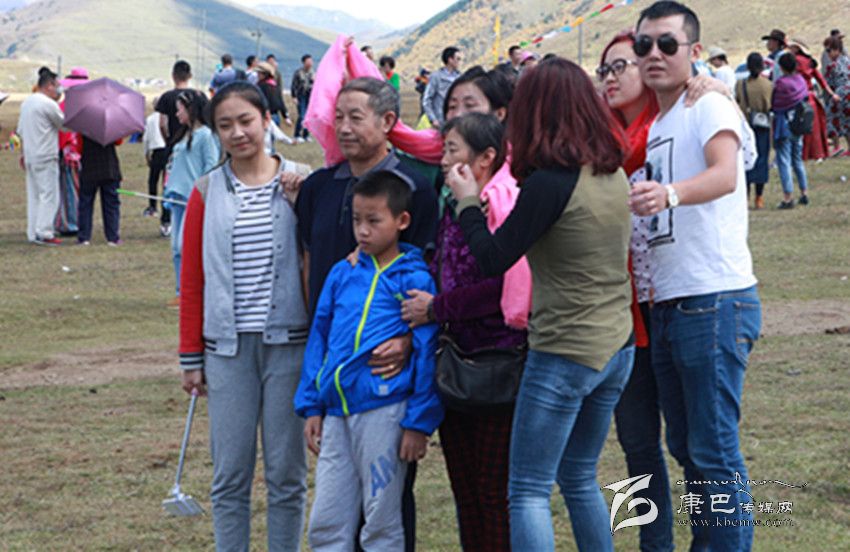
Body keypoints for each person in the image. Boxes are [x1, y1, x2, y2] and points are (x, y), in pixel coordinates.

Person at [446, 57, 634, 552]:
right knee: (578, 474)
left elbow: (492, 258)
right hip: (616, 347)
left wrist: (467, 200)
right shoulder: (611, 172)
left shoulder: (550, 183)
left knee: (528, 489)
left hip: (564, 352)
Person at [629, 2, 761, 550]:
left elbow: (727, 174)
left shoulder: (707, 103)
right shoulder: (660, 120)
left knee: (713, 451)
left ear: (694, 51)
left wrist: (670, 193)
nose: (653, 55)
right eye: (644, 46)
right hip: (667, 304)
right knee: (685, 447)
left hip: (712, 299)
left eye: (667, 44)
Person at [295, 76, 438, 552]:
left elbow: (428, 293)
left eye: (356, 117)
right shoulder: (318, 187)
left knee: (386, 508)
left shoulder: (415, 189)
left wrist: (408, 342)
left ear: (388, 121)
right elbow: (309, 264)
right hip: (337, 384)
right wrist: (313, 398)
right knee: (330, 513)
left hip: (386, 388)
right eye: (337, 117)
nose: (344, 127)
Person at [179, 81, 309, 552]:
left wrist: (302, 205)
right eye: (225, 125)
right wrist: (191, 357)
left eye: (246, 121)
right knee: (230, 475)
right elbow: (192, 279)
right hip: (227, 352)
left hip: (290, 347)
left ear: (267, 120)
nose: (237, 133)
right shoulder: (205, 191)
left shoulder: (302, 181)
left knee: (286, 475)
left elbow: (323, 259)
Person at [399, 112, 527, 551]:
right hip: (454, 364)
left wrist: (437, 308)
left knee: (493, 493)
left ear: (486, 157)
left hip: (496, 364)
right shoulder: (454, 208)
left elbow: (501, 288)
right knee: (465, 491)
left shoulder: (503, 205)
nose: (442, 160)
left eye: (452, 150)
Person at [164, 90, 220, 305]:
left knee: (184, 246)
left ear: (191, 109)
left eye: (180, 109)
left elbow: (210, 166)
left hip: (192, 200)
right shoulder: (183, 136)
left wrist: (201, 195)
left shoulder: (205, 136)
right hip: (176, 199)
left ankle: (193, 292)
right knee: (175, 249)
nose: (177, 114)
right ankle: (181, 292)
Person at [17, 67, 64, 245]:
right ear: (49, 85)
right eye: (56, 86)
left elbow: (21, 131)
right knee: (49, 195)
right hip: (45, 154)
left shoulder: (27, 103)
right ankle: (44, 232)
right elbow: (64, 124)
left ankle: (33, 231)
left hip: (31, 155)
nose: (58, 90)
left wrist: (23, 153)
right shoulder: (48, 104)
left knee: (34, 195)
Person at [155, 60, 195, 237]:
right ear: (190, 76)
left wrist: (168, 140)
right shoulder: (196, 96)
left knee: (169, 182)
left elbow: (162, 123)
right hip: (193, 144)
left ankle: (166, 220)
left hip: (173, 145)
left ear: (173, 76)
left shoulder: (166, 97)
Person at [788, 39, 838, 161]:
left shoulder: (794, 61)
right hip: (812, 98)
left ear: (796, 49)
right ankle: (817, 153)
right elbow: (821, 80)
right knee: (815, 128)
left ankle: (803, 154)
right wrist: (832, 94)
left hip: (798, 96)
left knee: (800, 126)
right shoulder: (810, 62)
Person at [771, 53, 810, 209]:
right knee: (797, 160)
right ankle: (804, 192)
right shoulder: (801, 80)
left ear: (781, 67)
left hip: (784, 125)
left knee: (784, 161)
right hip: (799, 124)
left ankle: (788, 197)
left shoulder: (781, 84)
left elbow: (775, 104)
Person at [736, 53, 773, 209]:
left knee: (745, 161)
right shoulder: (768, 85)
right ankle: (759, 197)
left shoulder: (740, 84)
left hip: (745, 126)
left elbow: (737, 102)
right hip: (762, 126)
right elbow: (770, 106)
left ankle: (745, 197)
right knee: (762, 160)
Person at [77, 134, 122, 246]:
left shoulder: (83, 127)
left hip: (88, 166)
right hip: (109, 167)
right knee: (111, 203)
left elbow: (79, 146)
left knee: (85, 203)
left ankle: (84, 237)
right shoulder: (111, 127)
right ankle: (112, 237)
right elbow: (118, 141)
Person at [422, 46, 463, 127]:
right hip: (440, 122)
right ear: (450, 59)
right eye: (458, 59)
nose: (459, 62)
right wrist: (433, 119)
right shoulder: (436, 77)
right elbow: (427, 100)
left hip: (457, 122)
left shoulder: (460, 77)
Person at [824, 36, 850, 155]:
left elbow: (828, 84)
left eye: (829, 50)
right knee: (847, 122)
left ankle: (836, 146)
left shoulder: (832, 66)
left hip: (840, 95)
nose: (827, 53)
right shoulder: (847, 60)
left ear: (837, 50)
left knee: (830, 119)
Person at [143, 96, 168, 217]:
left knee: (153, 181)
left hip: (156, 152)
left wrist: (146, 155)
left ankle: (152, 206)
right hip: (167, 151)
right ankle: (166, 208)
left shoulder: (150, 119)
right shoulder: (167, 118)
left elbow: (146, 139)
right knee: (166, 182)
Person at [258, 60, 291, 128]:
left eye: (259, 73)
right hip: (275, 116)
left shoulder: (260, 86)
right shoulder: (275, 85)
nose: (258, 75)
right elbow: (280, 102)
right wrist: (286, 116)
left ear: (265, 74)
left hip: (264, 116)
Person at [291, 54, 314, 143]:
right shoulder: (298, 72)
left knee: (309, 116)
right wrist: (294, 97)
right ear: (304, 62)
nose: (310, 63)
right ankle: (296, 135)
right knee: (302, 116)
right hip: (301, 96)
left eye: (311, 61)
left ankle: (306, 135)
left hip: (310, 96)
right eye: (308, 61)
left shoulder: (313, 72)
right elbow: (293, 85)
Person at [265, 54, 290, 126]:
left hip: (275, 98)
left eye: (273, 61)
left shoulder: (277, 73)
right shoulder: (263, 73)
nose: (271, 63)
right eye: (269, 61)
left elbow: (279, 86)